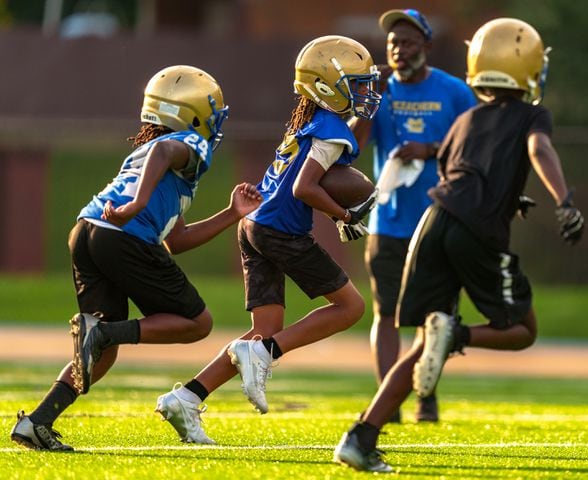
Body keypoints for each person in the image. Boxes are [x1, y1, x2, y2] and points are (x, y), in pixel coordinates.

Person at [334, 18, 585, 472]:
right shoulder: (532, 115)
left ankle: (361, 436)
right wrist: (563, 200)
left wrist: (512, 195)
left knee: (419, 344)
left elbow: (459, 171)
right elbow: (538, 151)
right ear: (528, 67)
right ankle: (458, 336)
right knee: (520, 330)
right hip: (475, 230)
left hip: (433, 221)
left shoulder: (466, 116)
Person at [9, 65, 263, 451]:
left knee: (101, 353)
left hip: (87, 231)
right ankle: (104, 332)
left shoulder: (147, 157)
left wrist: (232, 214)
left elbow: (175, 240)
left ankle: (38, 421)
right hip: (121, 234)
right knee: (197, 322)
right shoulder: (186, 145)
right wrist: (137, 204)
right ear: (192, 114)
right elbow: (164, 151)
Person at [154, 35, 382, 444]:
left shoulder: (309, 121)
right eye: (358, 83)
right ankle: (264, 355)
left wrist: (337, 212)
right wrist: (345, 214)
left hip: (255, 225)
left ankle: (187, 397)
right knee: (350, 307)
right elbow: (305, 189)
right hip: (280, 228)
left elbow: (302, 182)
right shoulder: (329, 130)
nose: (366, 92)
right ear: (328, 84)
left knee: (266, 328)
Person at [350, 8, 477, 424]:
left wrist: (431, 149)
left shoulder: (454, 92)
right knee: (386, 313)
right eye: (392, 43)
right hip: (388, 221)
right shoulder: (378, 92)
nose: (398, 50)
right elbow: (350, 145)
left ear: (425, 45)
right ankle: (389, 403)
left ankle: (426, 396)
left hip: (439, 220)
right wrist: (369, 101)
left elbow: (475, 148)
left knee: (433, 317)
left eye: (406, 42)